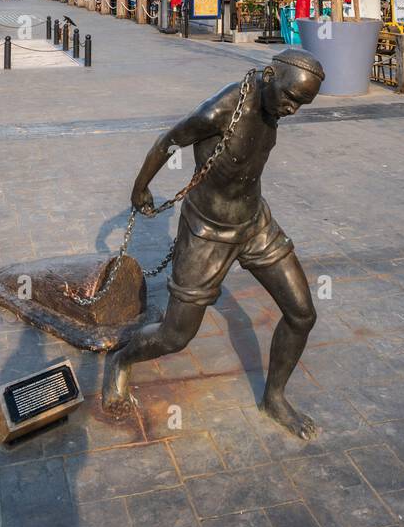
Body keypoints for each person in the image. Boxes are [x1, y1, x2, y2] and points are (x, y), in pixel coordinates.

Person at [103, 46, 325, 439]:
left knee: (302, 313)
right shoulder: (220, 111)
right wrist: (140, 188)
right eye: (291, 98)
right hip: (206, 231)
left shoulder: (274, 103)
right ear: (271, 77)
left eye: (301, 104)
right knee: (175, 336)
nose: (293, 109)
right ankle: (121, 359)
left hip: (255, 223)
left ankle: (274, 396)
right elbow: (168, 141)